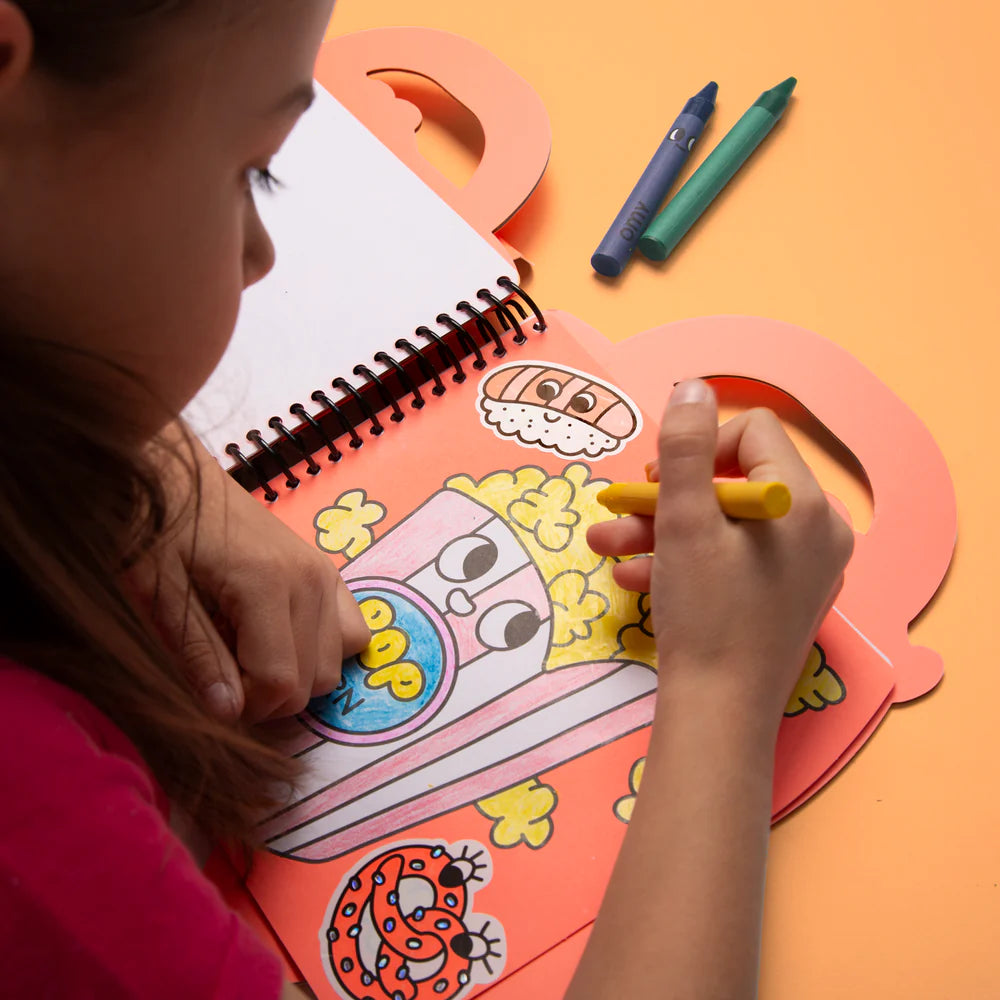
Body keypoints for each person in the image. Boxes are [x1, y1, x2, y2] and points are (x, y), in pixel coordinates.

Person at [0, 1, 853, 998]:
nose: (261, 256)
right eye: (251, 171)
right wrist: (722, 686)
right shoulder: (34, 826)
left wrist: (137, 447)